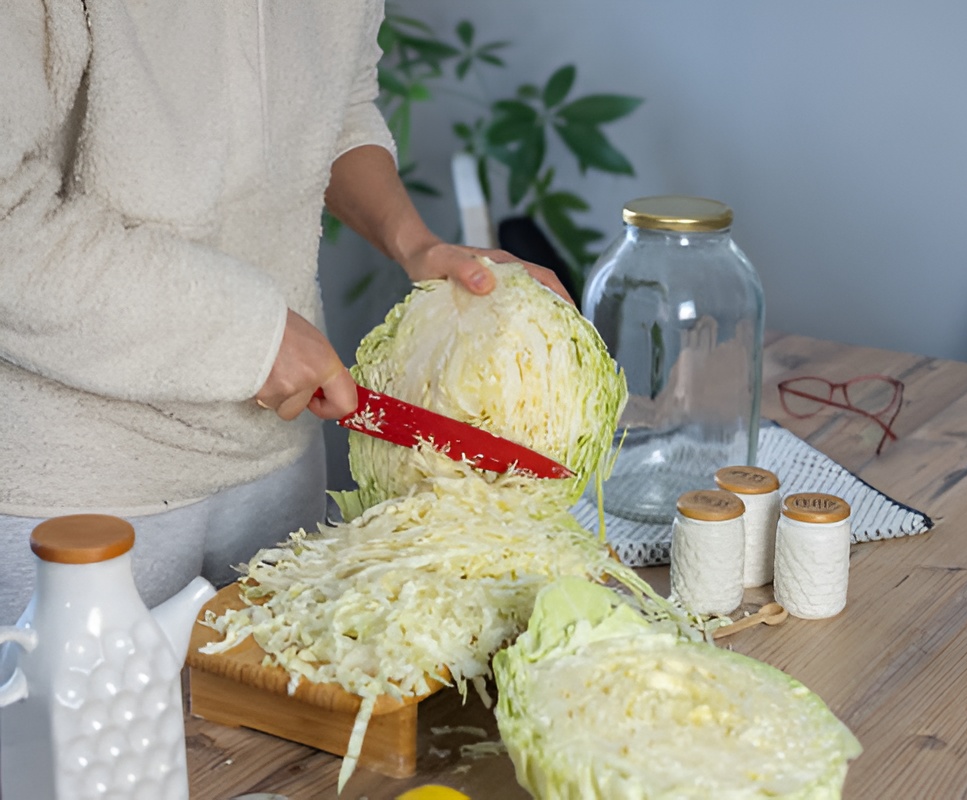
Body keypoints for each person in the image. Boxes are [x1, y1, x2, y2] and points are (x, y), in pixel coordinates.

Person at [0, 2, 569, 626]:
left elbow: (339, 109)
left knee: (268, 715)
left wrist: (415, 242)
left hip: (279, 453)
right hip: (80, 491)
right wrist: (248, 335)